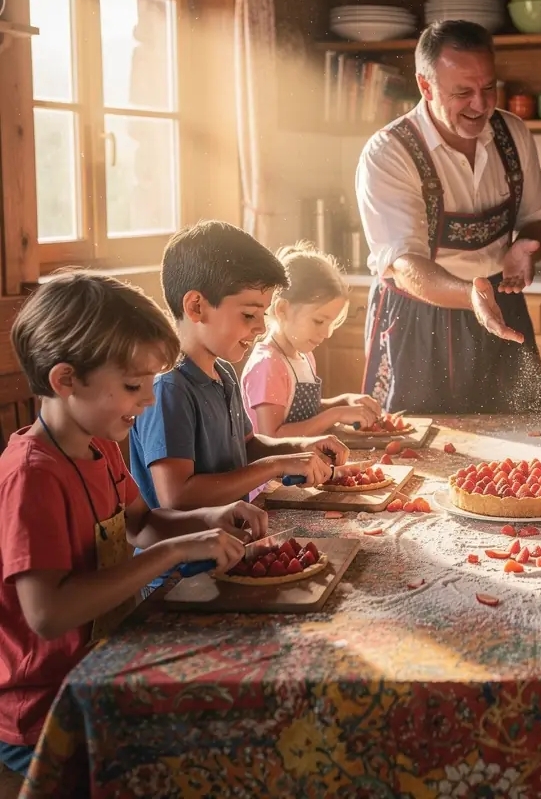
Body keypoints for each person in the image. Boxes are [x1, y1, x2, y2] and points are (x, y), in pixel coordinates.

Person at [0, 272, 266, 777]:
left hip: (106, 668)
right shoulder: (30, 476)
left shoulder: (98, 445)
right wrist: (172, 554)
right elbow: (48, 614)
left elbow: (142, 524)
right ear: (64, 380)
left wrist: (212, 519)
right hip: (50, 713)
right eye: (131, 385)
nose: (148, 399)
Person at [356, 21, 541, 413]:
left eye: (488, 89)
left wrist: (527, 246)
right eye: (462, 92)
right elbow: (402, 263)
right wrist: (470, 295)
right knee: (415, 449)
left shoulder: (512, 133)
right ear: (426, 86)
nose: (481, 105)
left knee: (524, 439)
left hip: (502, 306)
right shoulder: (389, 152)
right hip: (419, 319)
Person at [130, 221, 349, 515]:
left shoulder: (222, 372)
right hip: (185, 558)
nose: (260, 327)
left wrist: (301, 447)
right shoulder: (168, 387)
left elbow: (247, 447)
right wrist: (275, 466)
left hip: (231, 544)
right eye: (249, 314)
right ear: (196, 306)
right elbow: (177, 496)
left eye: (263, 314)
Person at [241, 242, 382, 438]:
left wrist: (341, 402)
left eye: (331, 323)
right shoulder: (268, 366)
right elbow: (272, 437)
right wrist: (336, 414)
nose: (327, 333)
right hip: (277, 467)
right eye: (319, 321)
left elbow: (301, 412)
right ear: (282, 309)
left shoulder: (304, 355)